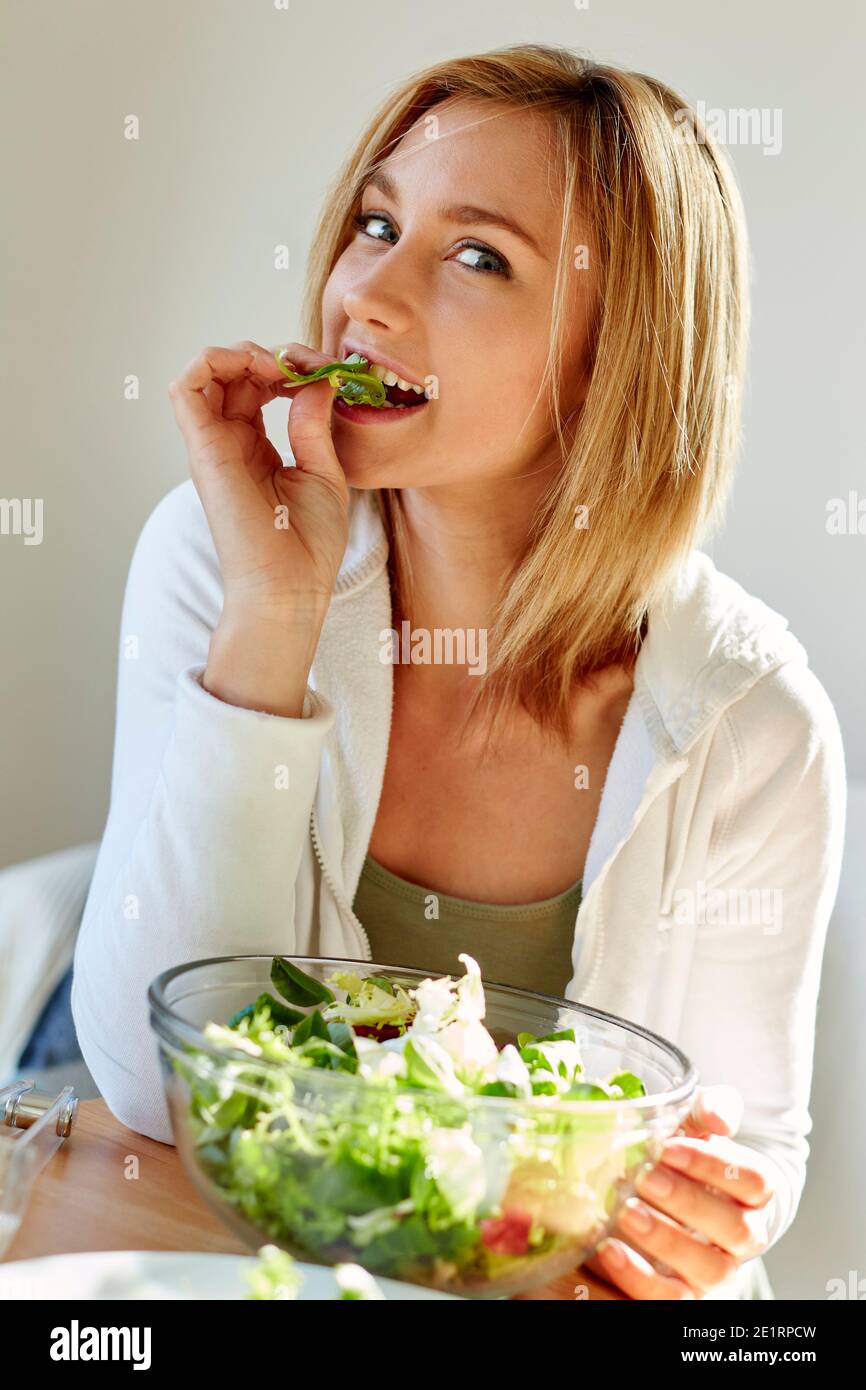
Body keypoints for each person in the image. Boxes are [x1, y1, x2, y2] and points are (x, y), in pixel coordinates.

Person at [71, 45, 846, 1301]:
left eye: (475, 255)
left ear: (615, 354)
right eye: (375, 223)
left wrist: (708, 1220)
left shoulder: (752, 729)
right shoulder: (219, 562)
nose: (363, 295)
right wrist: (274, 610)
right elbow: (154, 1087)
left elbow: (737, 1158)